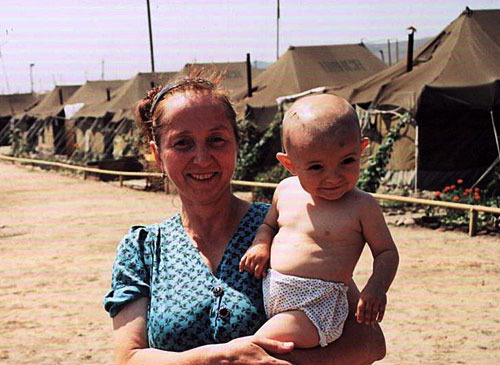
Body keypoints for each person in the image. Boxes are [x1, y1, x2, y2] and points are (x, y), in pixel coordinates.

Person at [104, 70, 387, 364]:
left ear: (237, 144)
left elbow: (368, 342)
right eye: (182, 143)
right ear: (158, 154)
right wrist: (223, 358)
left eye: (216, 140)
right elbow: (128, 357)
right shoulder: (143, 249)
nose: (202, 158)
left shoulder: (286, 223)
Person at [240, 94, 399, 349]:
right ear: (289, 164)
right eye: (316, 168)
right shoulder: (285, 190)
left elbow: (387, 252)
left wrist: (376, 287)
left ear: (362, 149)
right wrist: (260, 245)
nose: (333, 177)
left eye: (347, 161)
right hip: (276, 298)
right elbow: (269, 226)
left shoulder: (362, 206)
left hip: (317, 307)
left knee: (254, 347)